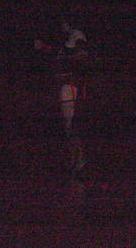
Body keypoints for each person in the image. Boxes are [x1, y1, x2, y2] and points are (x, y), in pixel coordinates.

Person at [34, 17, 90, 174]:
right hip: (64, 85)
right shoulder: (64, 41)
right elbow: (57, 53)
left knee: (70, 125)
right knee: (66, 125)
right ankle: (73, 159)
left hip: (70, 86)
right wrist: (44, 47)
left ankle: (78, 159)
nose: (62, 26)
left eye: (64, 23)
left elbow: (80, 55)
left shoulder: (76, 36)